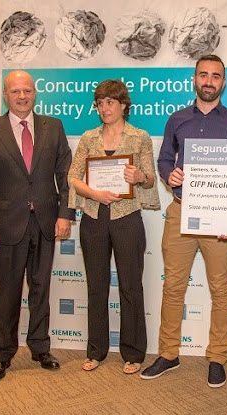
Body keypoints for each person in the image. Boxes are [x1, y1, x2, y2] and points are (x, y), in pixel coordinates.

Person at [140, 54, 227, 388]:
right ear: (194, 79)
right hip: (180, 211)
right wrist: (168, 174)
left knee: (220, 289)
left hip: (219, 216)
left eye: (216, 76)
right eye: (204, 74)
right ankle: (168, 354)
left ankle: (217, 357)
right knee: (173, 286)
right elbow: (163, 159)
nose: (209, 81)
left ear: (223, 82)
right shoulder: (177, 119)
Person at [0, 70, 75, 382]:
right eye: (15, 91)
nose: (22, 96)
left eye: (27, 90)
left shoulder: (53, 127)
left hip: (44, 222)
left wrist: (65, 214)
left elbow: (66, 175)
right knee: (8, 292)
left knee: (41, 289)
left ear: (34, 93)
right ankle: (2, 354)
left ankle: (40, 348)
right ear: (5, 95)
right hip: (4, 227)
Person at [68, 79, 160, 374]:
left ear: (123, 105)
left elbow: (150, 179)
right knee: (96, 286)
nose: (105, 108)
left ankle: (133, 352)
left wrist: (139, 177)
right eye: (100, 102)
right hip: (94, 217)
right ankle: (96, 350)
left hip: (127, 217)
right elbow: (73, 177)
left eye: (111, 102)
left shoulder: (139, 137)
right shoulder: (88, 138)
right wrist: (94, 194)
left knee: (131, 286)